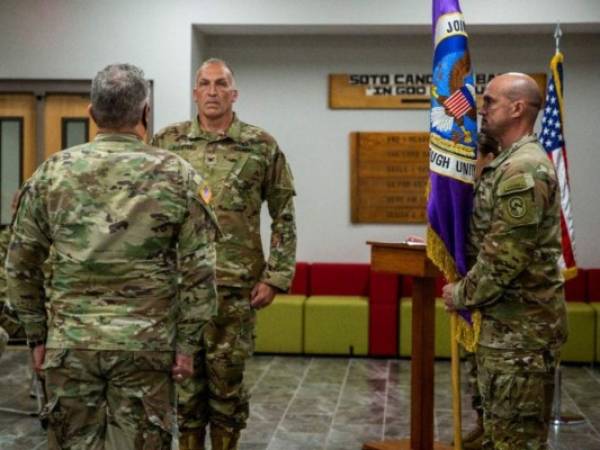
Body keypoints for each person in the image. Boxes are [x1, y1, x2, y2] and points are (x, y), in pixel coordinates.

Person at [6, 63, 219, 450]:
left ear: (91, 113)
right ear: (145, 113)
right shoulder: (179, 175)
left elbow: (20, 264)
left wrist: (37, 335)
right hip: (146, 346)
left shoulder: (51, 173)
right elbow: (200, 272)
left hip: (71, 343)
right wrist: (187, 346)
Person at [152, 58, 297, 450]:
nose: (212, 91)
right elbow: (146, 212)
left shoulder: (260, 145)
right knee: (185, 394)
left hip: (234, 292)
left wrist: (275, 276)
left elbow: (283, 212)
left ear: (233, 94)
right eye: (205, 83)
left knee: (227, 393)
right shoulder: (167, 143)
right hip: (179, 290)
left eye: (220, 84)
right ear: (195, 92)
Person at [442, 73, 568, 449]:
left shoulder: (522, 170)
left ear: (517, 108)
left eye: (489, 102)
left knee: (516, 442)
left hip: (521, 337)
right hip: (506, 331)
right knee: (500, 437)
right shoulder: (507, 164)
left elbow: (504, 258)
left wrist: (460, 294)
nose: (481, 109)